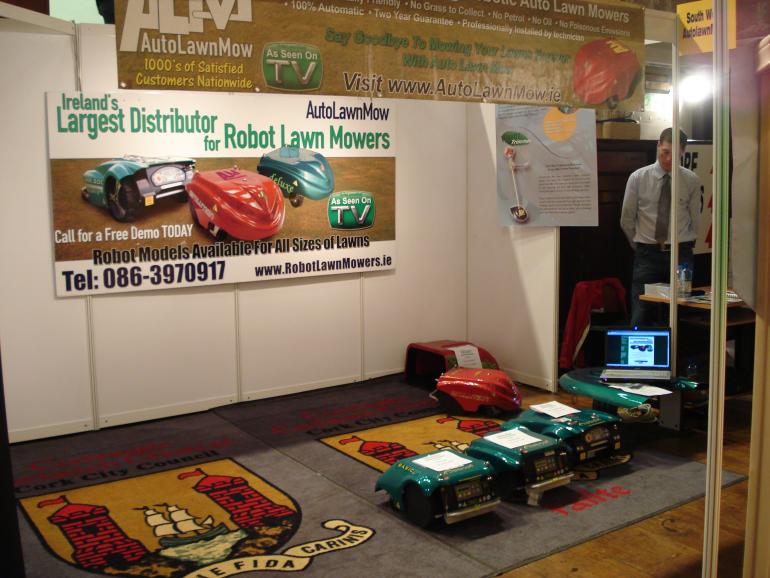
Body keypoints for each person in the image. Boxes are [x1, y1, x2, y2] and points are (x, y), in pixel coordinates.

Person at [620, 127, 702, 326]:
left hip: (680, 253)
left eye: (675, 155)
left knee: (677, 314)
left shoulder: (690, 180)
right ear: (658, 146)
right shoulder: (638, 178)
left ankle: (675, 356)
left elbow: (695, 219)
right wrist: (640, 245)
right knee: (641, 312)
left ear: (683, 152)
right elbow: (627, 219)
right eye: (665, 152)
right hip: (647, 253)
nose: (668, 159)